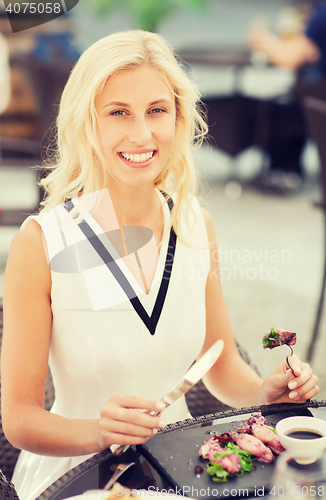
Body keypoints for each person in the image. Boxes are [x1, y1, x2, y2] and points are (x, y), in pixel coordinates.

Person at [1, 30, 319, 500]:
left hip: (180, 466)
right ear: (89, 123)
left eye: (156, 110)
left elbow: (221, 362)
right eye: (118, 113)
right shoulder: (43, 242)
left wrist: (262, 393)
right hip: (78, 477)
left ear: (178, 117)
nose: (142, 134)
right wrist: (98, 431)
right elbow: (19, 420)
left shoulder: (195, 226)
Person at [249, 2, 326, 193]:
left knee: (280, 108)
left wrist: (262, 37)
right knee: (292, 100)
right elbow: (310, 52)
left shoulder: (322, 15)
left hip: (319, 102)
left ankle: (283, 174)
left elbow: (288, 58)